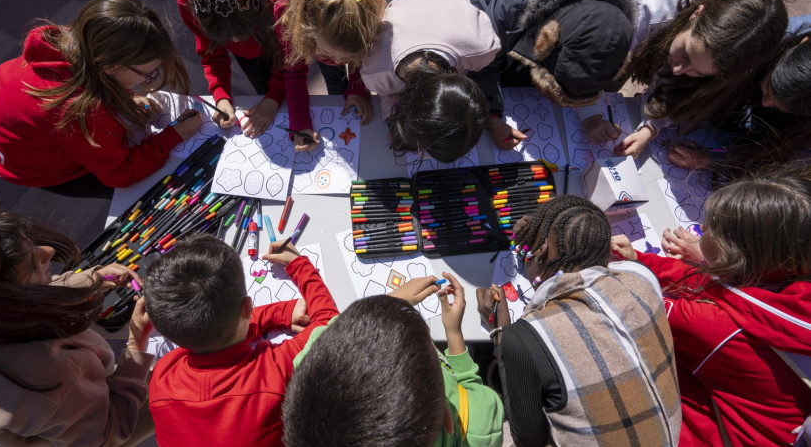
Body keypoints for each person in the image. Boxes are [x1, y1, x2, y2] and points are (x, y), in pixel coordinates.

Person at [611, 167, 811, 446]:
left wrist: (625, 269)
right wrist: (641, 261)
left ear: (734, 255)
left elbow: (634, 303)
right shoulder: (787, 282)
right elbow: (717, 285)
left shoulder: (713, 326)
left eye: (711, 227)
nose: (701, 229)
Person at [475, 195, 681, 446]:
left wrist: (500, 332)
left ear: (538, 251)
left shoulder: (526, 336)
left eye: (526, 251)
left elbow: (527, 437)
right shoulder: (641, 277)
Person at [0, 202, 155, 446]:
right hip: (94, 426)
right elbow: (110, 432)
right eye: (33, 266)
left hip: (68, 411)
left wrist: (91, 280)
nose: (48, 250)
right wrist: (137, 345)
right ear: (5, 304)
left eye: (29, 240)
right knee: (169, 386)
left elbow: (34, 293)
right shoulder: (44, 380)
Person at [0, 0, 201, 188]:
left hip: (12, 142)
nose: (148, 80)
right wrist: (175, 135)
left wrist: (125, 98)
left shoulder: (76, 42)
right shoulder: (84, 113)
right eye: (148, 74)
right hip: (33, 168)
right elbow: (120, 173)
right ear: (110, 67)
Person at [144, 234, 338, 446]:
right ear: (248, 307)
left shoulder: (162, 375)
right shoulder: (276, 374)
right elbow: (330, 326)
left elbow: (211, 333)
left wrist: (281, 312)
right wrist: (298, 264)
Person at [282, 274, 504, 447]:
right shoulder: (478, 425)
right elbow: (470, 389)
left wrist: (393, 301)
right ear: (448, 418)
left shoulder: (311, 359)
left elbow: (336, 330)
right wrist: (453, 332)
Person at [439, 0, 638, 148]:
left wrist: (592, 116)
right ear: (547, 40)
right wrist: (492, 118)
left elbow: (589, 66)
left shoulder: (614, 30)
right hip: (462, 9)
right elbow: (484, 62)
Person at [615, 0, 788, 158]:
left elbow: (674, 87)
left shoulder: (738, 53)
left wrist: (649, 128)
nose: (677, 70)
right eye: (686, 54)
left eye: (699, 73)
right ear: (696, 14)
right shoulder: (649, 12)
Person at [357, 0, 504, 157]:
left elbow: (487, 71)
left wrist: (494, 116)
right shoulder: (376, 72)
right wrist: (393, 122)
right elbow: (388, 94)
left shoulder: (483, 49)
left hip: (451, 4)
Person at [669, 22, 811, 173]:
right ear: (802, 44)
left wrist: (712, 160)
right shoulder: (765, 37)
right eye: (768, 91)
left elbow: (789, 164)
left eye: (781, 107)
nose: (765, 103)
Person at [272, 0, 386, 151]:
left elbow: (365, 52)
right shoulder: (288, 15)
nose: (339, 61)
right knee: (333, 75)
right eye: (328, 53)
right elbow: (294, 70)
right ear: (305, 29)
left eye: (348, 57)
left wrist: (358, 86)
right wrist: (300, 123)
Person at [178, 0, 282, 135]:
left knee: (286, 90)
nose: (235, 41)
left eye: (242, 33)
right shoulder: (189, 3)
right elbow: (211, 54)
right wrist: (221, 96)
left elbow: (290, 51)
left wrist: (274, 96)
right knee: (265, 87)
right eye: (224, 38)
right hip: (250, 57)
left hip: (276, 38)